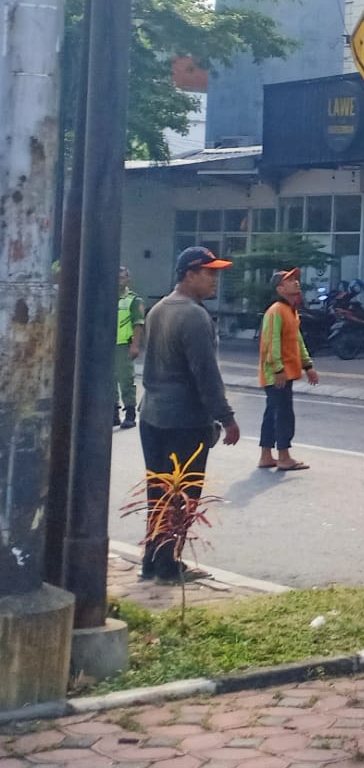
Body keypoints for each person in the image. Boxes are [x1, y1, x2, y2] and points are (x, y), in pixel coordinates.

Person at [138, 246, 241, 581]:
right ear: (189, 274)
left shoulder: (159, 310)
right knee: (183, 494)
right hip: (183, 421)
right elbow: (206, 376)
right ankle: (169, 565)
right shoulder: (194, 316)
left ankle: (152, 560)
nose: (214, 280)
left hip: (152, 415)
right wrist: (226, 418)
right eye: (209, 273)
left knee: (158, 491)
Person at [257, 268, 319, 471]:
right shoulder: (276, 311)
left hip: (284, 372)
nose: (296, 282)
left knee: (273, 412)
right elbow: (270, 342)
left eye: (295, 279)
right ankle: (283, 456)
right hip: (277, 374)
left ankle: (266, 455)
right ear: (280, 288)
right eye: (290, 280)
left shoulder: (291, 311)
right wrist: (277, 369)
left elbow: (297, 340)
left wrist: (307, 365)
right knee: (283, 414)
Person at [114, 266, 146, 430]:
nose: (119, 280)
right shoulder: (108, 297)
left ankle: (130, 413)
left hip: (123, 345)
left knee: (126, 380)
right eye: (117, 277)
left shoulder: (133, 300)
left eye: (122, 277)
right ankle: (113, 412)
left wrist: (135, 345)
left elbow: (138, 324)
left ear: (128, 279)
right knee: (108, 381)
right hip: (108, 345)